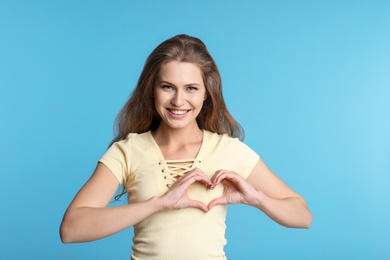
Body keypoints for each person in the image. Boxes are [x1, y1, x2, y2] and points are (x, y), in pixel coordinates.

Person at [60, 34, 312, 259]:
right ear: (152, 90)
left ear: (206, 93)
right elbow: (71, 229)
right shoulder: (127, 151)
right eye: (167, 87)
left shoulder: (228, 150)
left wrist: (257, 198)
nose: (178, 101)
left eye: (191, 88)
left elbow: (302, 216)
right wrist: (159, 203)